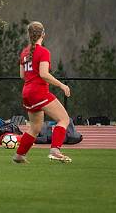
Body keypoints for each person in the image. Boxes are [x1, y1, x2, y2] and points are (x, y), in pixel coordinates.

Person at [14, 21, 72, 163]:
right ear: (43, 34)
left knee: (35, 127)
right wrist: (61, 85)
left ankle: (19, 155)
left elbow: (22, 75)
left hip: (27, 93)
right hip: (39, 91)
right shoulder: (43, 52)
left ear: (29, 35)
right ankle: (55, 150)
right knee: (64, 119)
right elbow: (44, 74)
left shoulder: (24, 52)